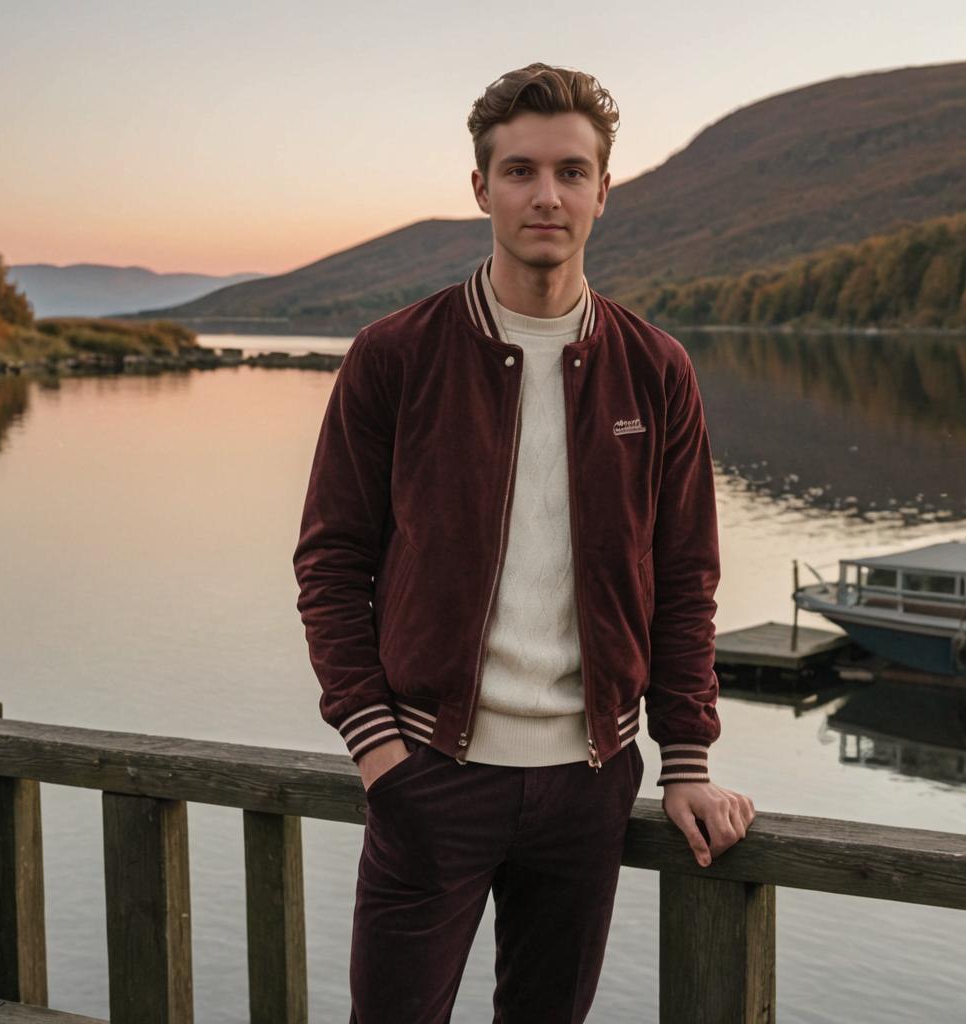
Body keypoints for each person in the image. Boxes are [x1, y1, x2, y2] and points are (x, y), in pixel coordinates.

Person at [293, 61, 756, 1024]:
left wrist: (687, 762)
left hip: (589, 790)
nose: (547, 195)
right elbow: (332, 564)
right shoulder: (396, 356)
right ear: (481, 188)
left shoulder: (655, 368)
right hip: (430, 778)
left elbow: (685, 577)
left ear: (603, 191)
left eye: (572, 172)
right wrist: (378, 750)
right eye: (520, 171)